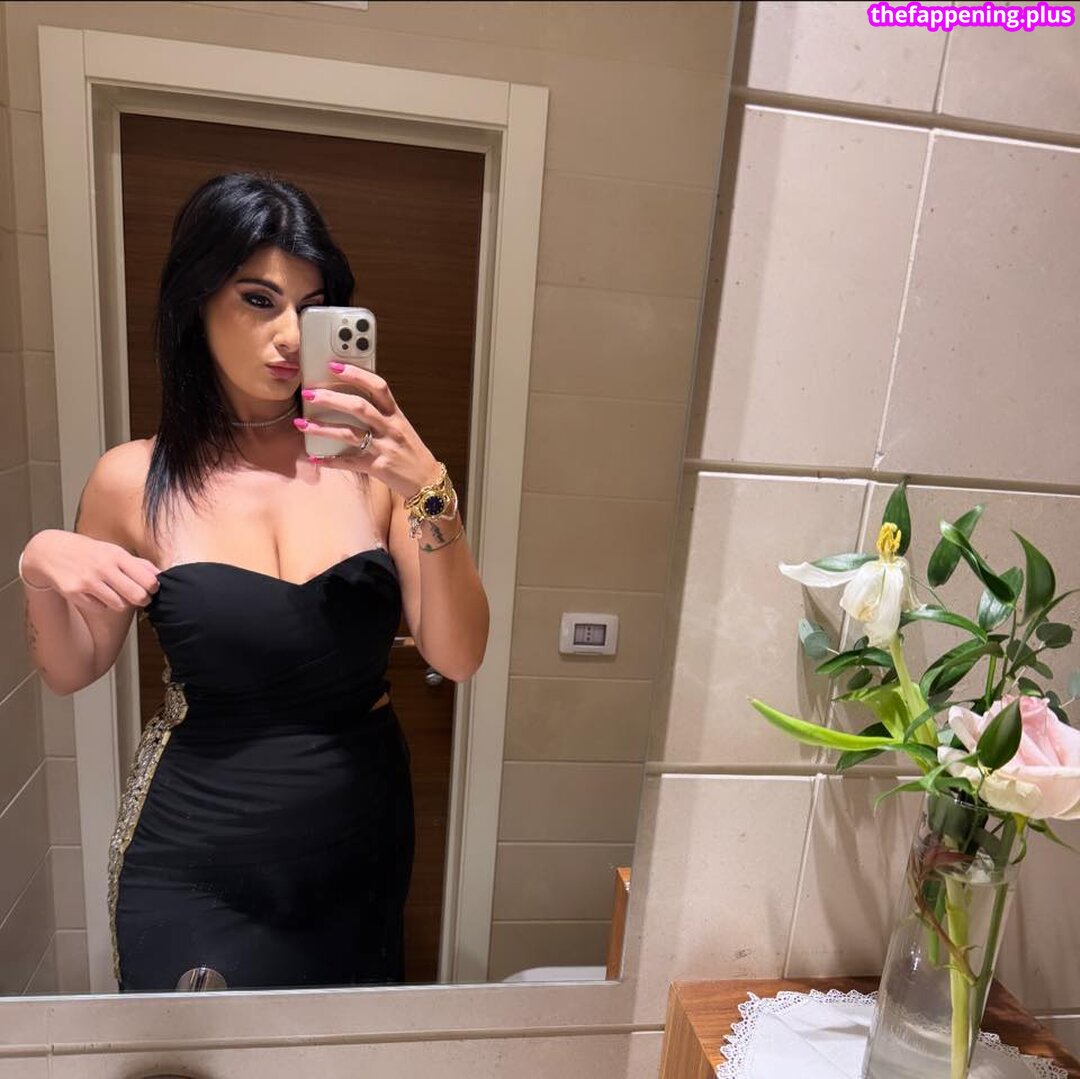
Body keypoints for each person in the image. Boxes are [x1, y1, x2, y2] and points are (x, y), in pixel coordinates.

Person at [18, 172, 490, 991]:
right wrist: (38, 567)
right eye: (258, 299)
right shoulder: (133, 478)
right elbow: (73, 666)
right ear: (195, 300)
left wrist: (432, 490)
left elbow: (458, 654)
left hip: (358, 847)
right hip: (195, 858)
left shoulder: (377, 474)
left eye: (311, 308)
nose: (288, 335)